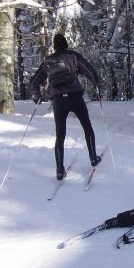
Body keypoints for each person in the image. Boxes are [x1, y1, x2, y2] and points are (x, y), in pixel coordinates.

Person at [30, 33, 102, 180]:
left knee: (60, 135)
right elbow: (89, 70)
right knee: (86, 126)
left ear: (55, 46)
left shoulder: (48, 61)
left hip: (58, 101)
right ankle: (93, 157)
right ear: (66, 44)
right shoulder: (73, 56)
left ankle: (59, 169)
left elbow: (34, 82)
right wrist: (97, 83)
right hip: (75, 96)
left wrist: (37, 96)